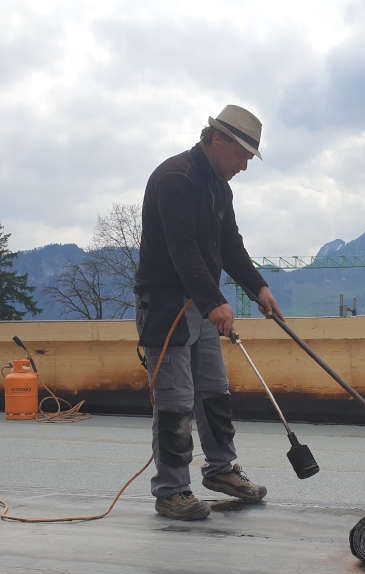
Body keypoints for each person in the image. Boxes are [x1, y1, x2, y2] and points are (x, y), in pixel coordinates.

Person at [134, 104, 282, 521]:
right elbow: (182, 251)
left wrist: (258, 287)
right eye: (241, 156)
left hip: (200, 305)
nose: (243, 167)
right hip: (166, 307)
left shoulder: (219, 187)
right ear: (217, 140)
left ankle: (220, 469)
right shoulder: (174, 179)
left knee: (214, 392)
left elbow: (229, 246)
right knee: (176, 401)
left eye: (249, 159)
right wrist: (214, 301)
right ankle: (171, 491)